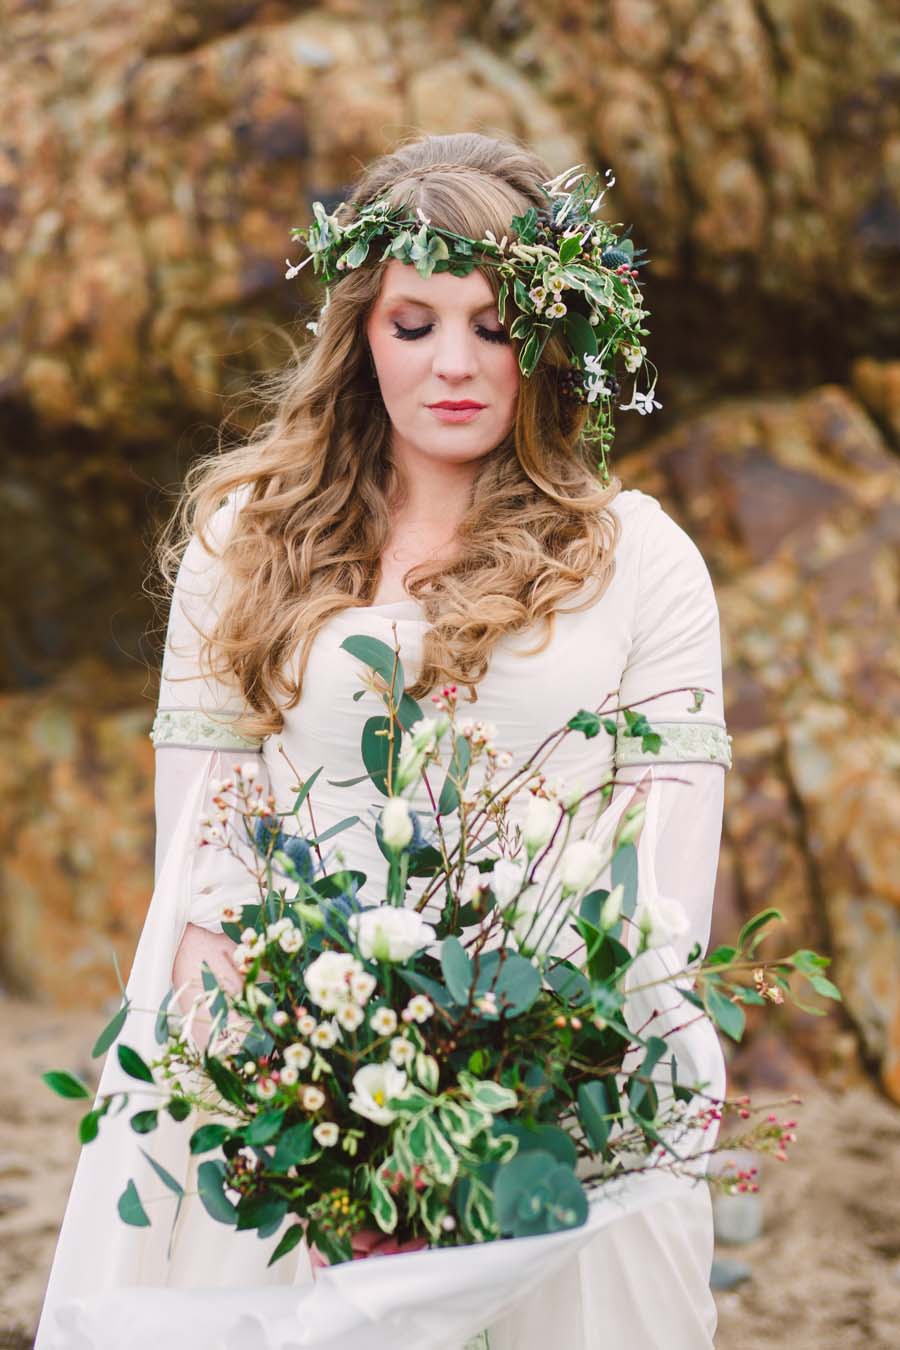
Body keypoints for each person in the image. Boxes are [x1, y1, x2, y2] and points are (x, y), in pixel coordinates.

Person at [35, 131, 732, 1350]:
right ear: (361, 332)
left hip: (557, 1080)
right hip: (289, 1069)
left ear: (551, 338)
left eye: (496, 324)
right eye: (415, 323)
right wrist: (290, 1083)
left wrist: (539, 1076)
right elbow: (199, 860)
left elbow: (664, 892)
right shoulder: (245, 541)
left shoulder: (644, 559)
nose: (454, 364)